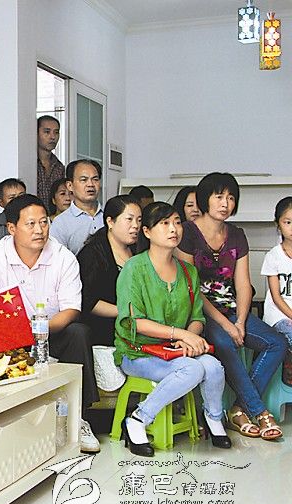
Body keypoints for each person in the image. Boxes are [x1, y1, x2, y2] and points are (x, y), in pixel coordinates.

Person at [0, 194, 100, 453]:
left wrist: (39, 330)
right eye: (30, 224)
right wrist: (15, 331)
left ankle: (80, 416)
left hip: (50, 332)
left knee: (79, 332)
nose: (39, 230)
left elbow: (71, 310)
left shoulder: (63, 257)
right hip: (6, 333)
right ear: (12, 228)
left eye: (44, 222)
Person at [115, 201, 230, 457]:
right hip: (138, 352)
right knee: (193, 369)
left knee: (213, 366)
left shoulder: (188, 271)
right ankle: (137, 419)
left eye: (177, 222)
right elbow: (135, 322)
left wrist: (190, 337)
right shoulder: (134, 269)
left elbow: (197, 317)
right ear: (147, 232)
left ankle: (213, 420)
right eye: (164, 223)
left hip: (175, 350)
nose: (173, 229)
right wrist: (181, 334)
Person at [177, 172, 286, 440]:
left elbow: (243, 284)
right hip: (201, 313)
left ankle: (239, 409)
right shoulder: (187, 233)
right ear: (205, 199)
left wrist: (240, 321)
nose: (225, 203)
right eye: (218, 197)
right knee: (225, 343)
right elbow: (192, 289)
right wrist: (227, 325)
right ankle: (260, 411)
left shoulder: (236, 235)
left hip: (234, 310)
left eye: (230, 198)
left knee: (277, 343)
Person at [77, 195, 141, 346]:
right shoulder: (92, 253)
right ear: (110, 221)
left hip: (137, 326)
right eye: (129, 219)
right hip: (103, 331)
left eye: (139, 220)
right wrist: (126, 311)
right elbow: (87, 301)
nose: (136, 226)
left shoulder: (139, 249)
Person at [261, 196, 292, 385]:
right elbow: (276, 297)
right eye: (288, 222)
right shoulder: (273, 256)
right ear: (278, 225)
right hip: (279, 315)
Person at [49, 159, 104, 254]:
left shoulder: (111, 216)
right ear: (70, 185)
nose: (90, 184)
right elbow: (56, 259)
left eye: (95, 179)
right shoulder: (61, 223)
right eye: (84, 180)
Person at [36, 115, 65, 207]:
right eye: (47, 132)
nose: (53, 137)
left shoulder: (59, 167)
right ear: (36, 133)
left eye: (56, 132)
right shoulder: (29, 163)